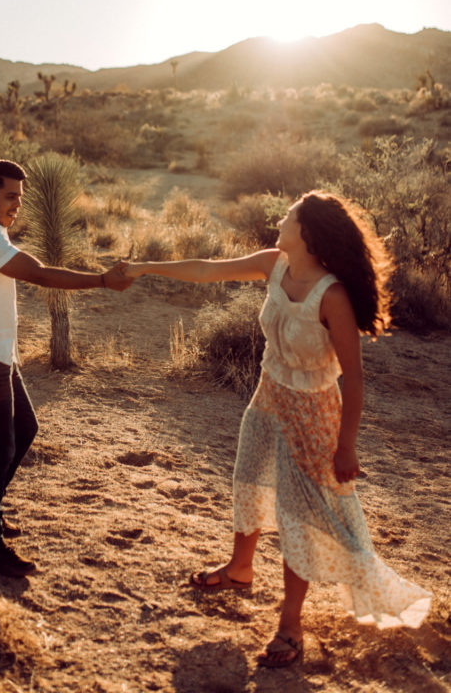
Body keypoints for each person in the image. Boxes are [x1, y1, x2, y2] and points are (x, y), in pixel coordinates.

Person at [121, 190, 431, 668]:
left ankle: (290, 624)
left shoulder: (333, 296)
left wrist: (346, 446)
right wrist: (145, 268)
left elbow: (355, 376)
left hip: (313, 414)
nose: (279, 221)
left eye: (288, 217)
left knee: (296, 517)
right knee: (248, 479)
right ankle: (240, 568)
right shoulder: (274, 264)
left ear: (306, 233)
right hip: (268, 396)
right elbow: (208, 268)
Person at [0, 159, 132, 578]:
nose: (17, 205)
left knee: (24, 430)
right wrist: (102, 280)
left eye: (20, 198)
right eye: (10, 196)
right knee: (0, 449)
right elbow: (40, 274)